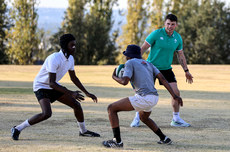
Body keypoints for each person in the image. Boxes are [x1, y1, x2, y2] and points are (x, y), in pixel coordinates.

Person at [11, 34, 100, 140]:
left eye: (75, 45)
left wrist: (87, 93)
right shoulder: (54, 58)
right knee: (47, 113)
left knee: (76, 105)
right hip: (41, 86)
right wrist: (71, 93)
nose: (74, 47)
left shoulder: (70, 59)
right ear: (64, 46)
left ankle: (83, 131)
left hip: (53, 86)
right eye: (72, 45)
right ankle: (17, 128)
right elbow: (51, 83)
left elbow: (74, 78)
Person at [102, 44, 183, 148]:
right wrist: (175, 95)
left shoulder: (130, 62)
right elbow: (162, 79)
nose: (126, 57)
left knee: (111, 108)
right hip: (154, 97)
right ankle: (164, 138)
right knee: (143, 118)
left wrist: (114, 77)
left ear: (129, 56)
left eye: (126, 55)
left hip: (143, 97)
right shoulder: (149, 64)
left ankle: (117, 141)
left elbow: (124, 82)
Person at [130, 14, 193, 128]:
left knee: (176, 93)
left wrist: (186, 70)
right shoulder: (156, 34)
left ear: (176, 25)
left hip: (166, 69)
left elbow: (181, 55)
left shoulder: (177, 38)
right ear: (165, 23)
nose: (170, 26)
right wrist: (135, 62)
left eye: (172, 24)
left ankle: (176, 119)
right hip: (150, 67)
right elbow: (143, 48)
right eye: (168, 24)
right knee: (143, 93)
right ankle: (137, 117)